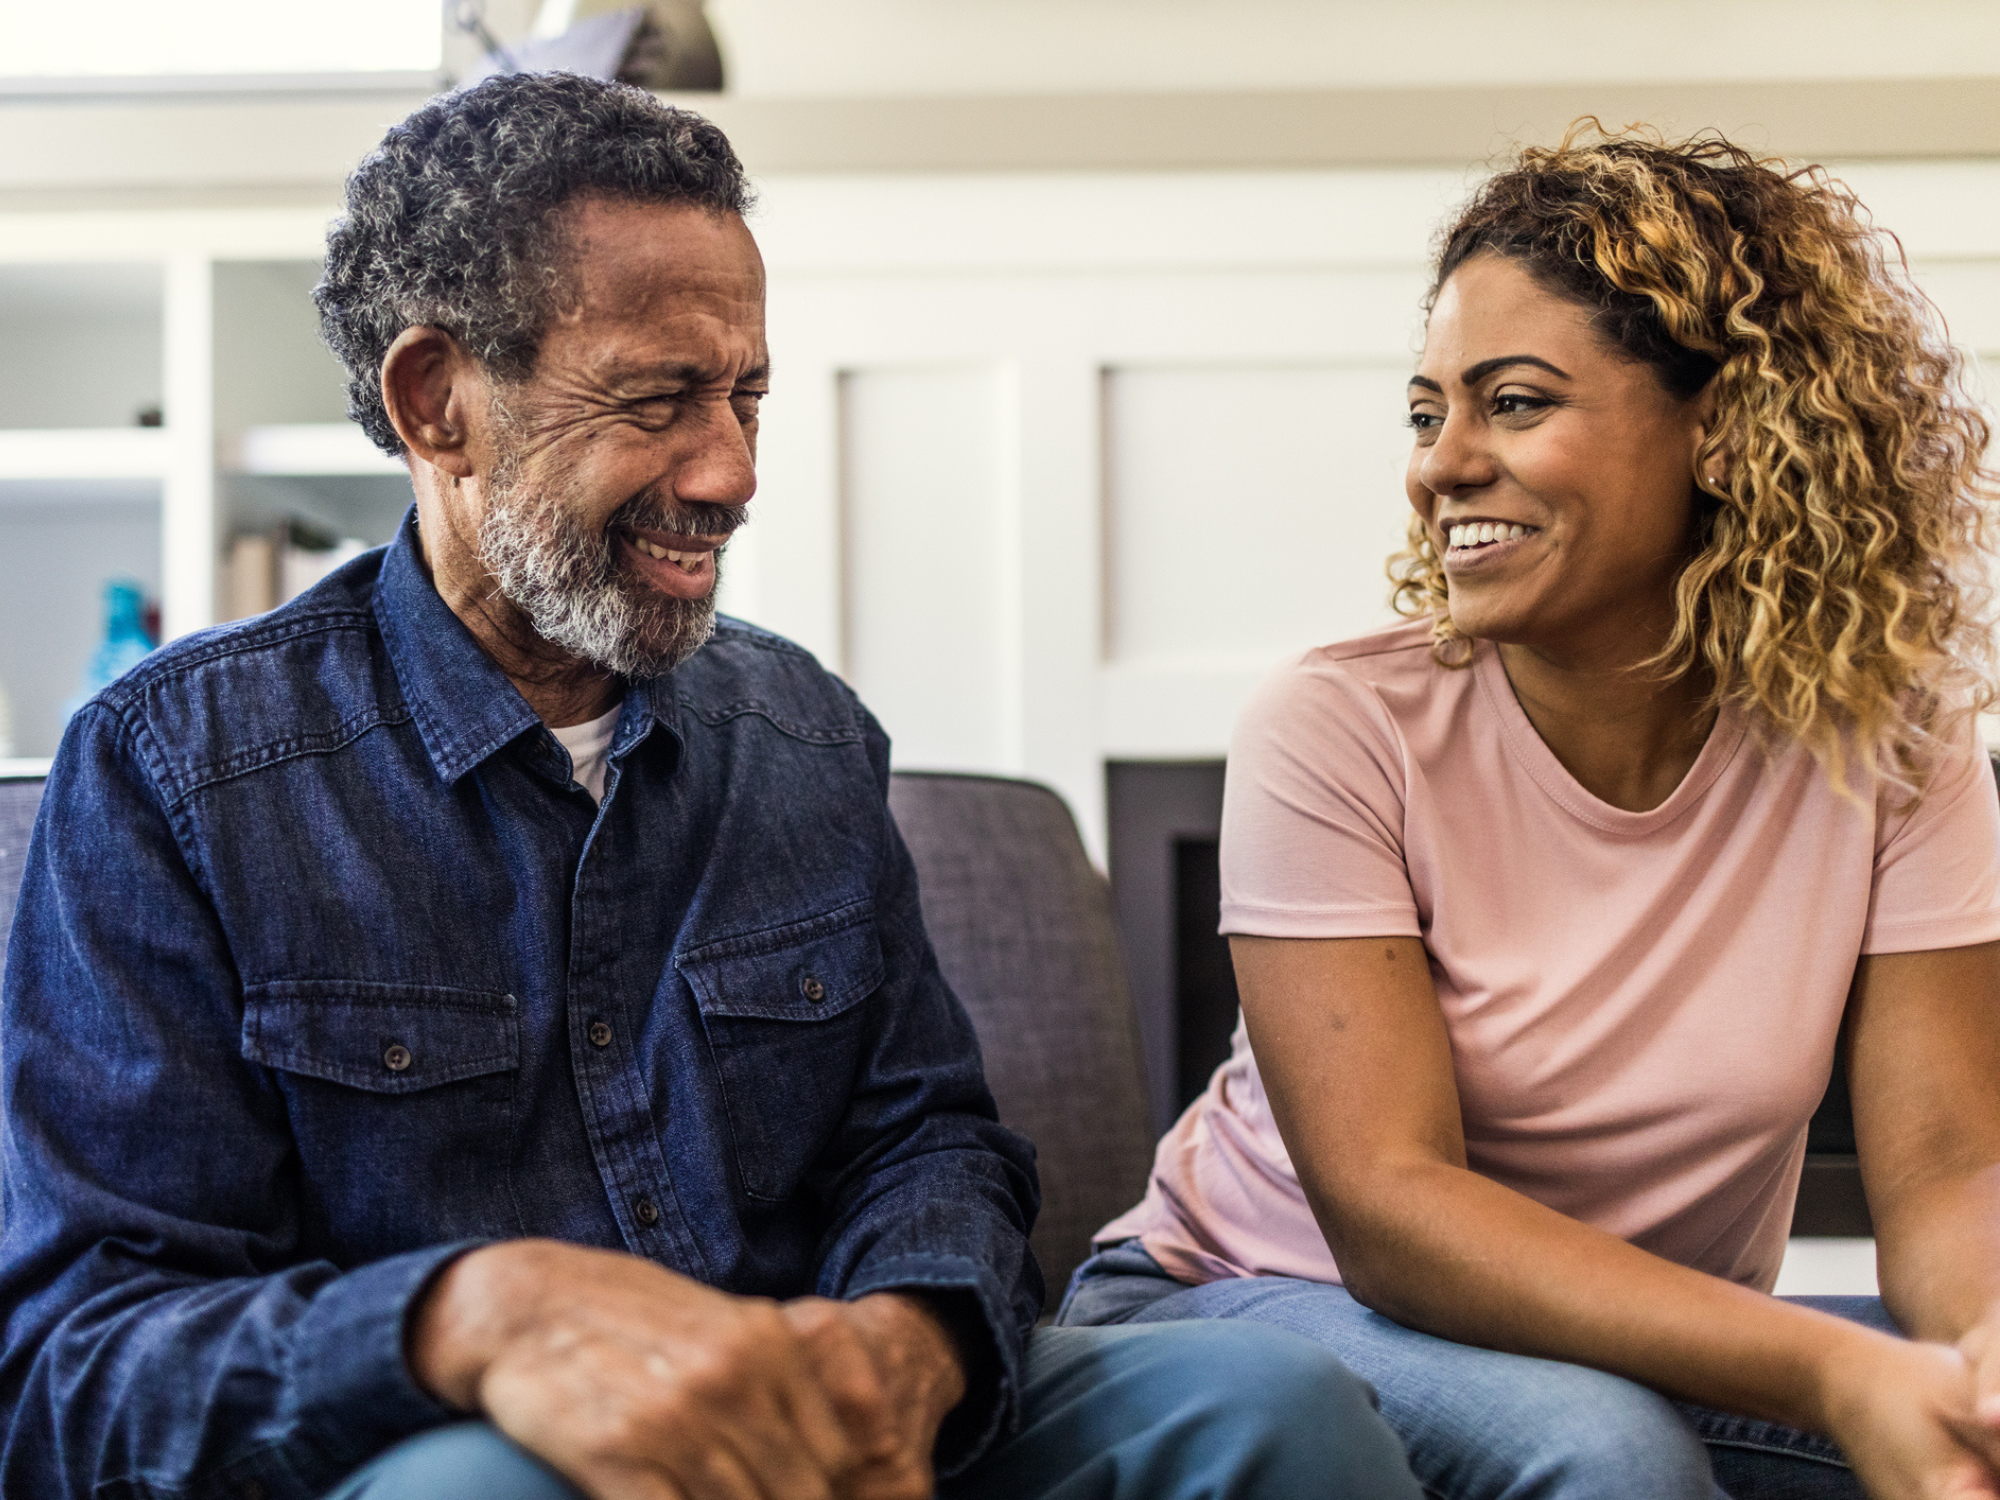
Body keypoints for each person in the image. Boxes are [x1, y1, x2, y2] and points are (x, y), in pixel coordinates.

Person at [0, 74, 1422, 1500]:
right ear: (439, 403)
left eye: (746, 397)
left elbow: (928, 1142)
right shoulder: (175, 771)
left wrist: (912, 1334)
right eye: (659, 400)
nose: (732, 472)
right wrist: (469, 1322)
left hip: (824, 1437)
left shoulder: (805, 736)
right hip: (458, 1457)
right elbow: (82, 1364)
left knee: (1271, 1409)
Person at [1059, 125, 2000, 1500]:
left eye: (1511, 403)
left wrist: (1984, 1344)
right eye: (1427, 413)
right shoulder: (1339, 726)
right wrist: (1824, 1368)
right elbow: (1392, 1209)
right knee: (1608, 1451)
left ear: (1728, 432)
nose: (1441, 464)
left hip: (1632, 1345)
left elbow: (1951, 1170)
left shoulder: (1892, 743)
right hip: (1249, 1309)